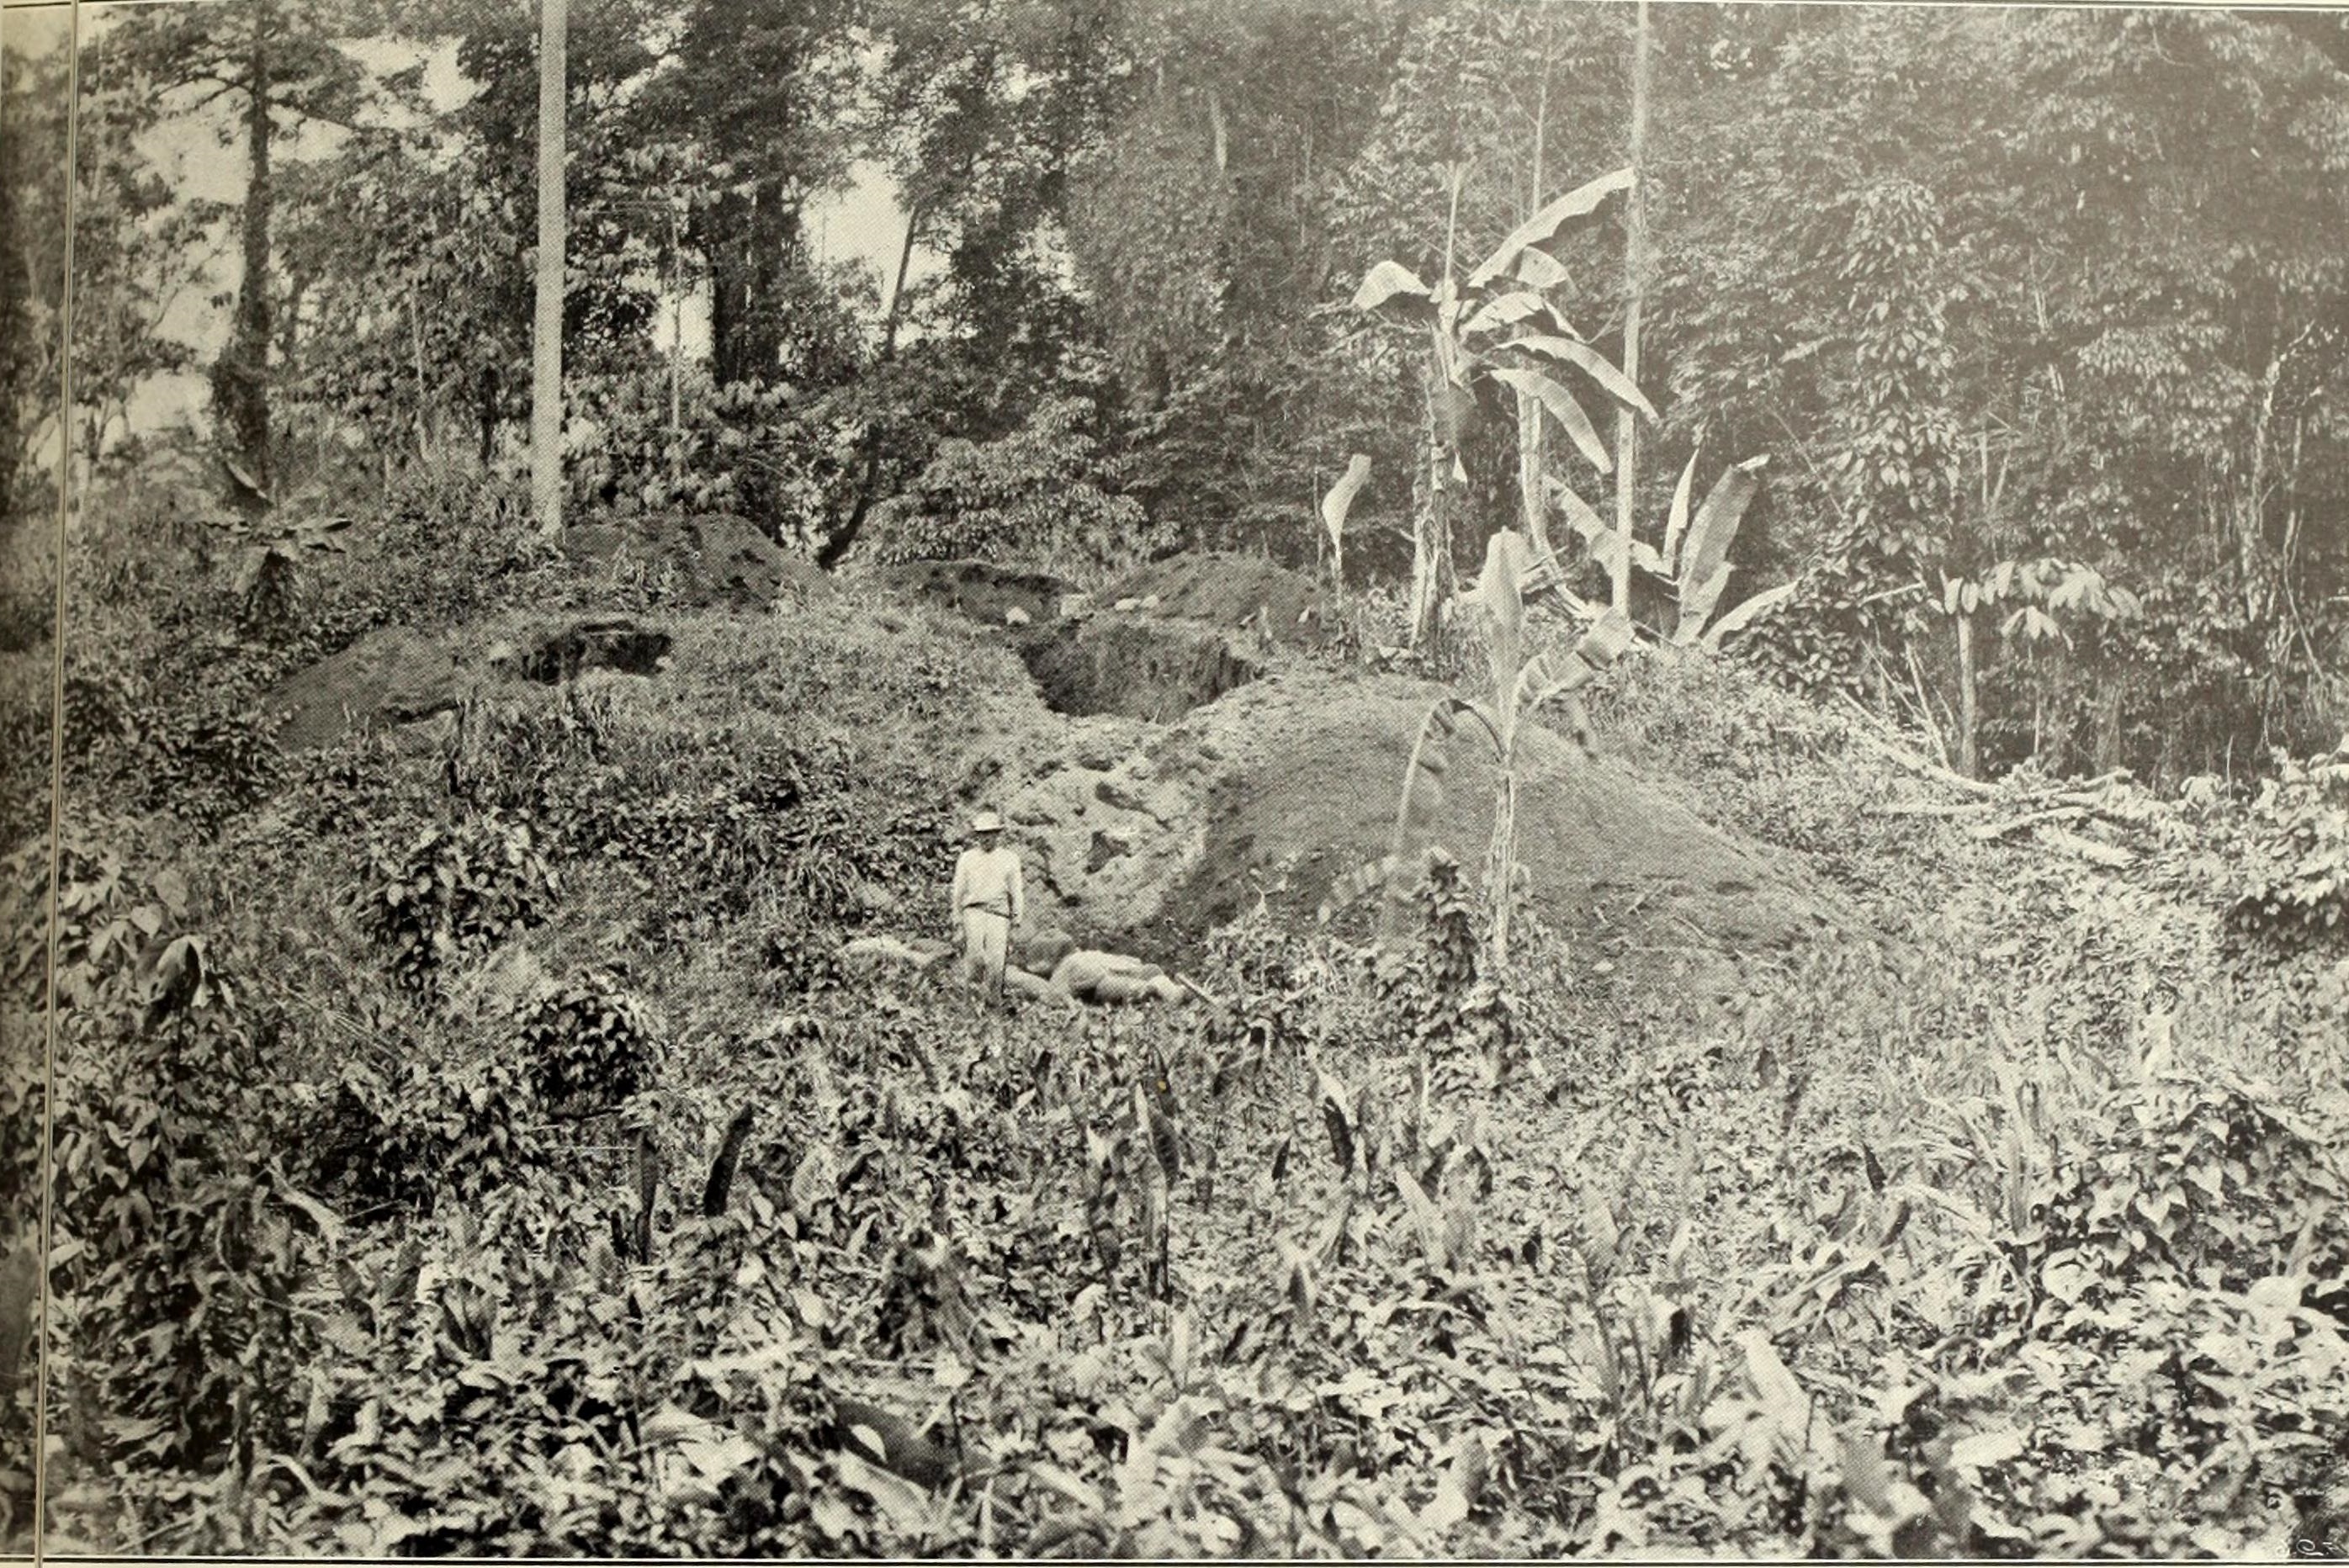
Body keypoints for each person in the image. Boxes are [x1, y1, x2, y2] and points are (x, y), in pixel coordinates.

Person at [951, 810, 1024, 1000]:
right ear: (977, 836)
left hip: (999, 915)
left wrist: (1017, 921)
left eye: (990, 833)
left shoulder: (1010, 858)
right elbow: (958, 891)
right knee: (975, 960)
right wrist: (957, 921)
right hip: (973, 913)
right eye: (982, 834)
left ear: (997, 834)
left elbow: (1017, 892)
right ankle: (971, 1007)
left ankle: (993, 1008)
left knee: (996, 963)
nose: (986, 838)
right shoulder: (967, 858)